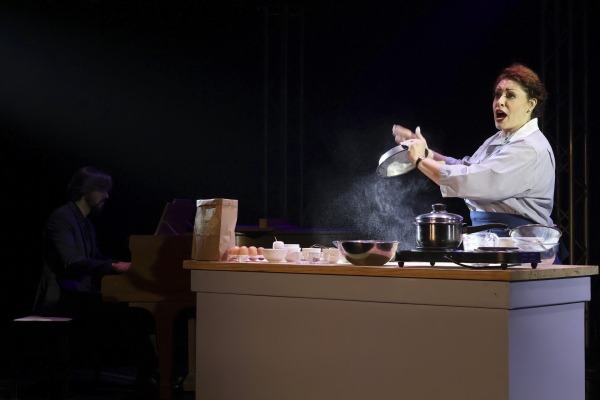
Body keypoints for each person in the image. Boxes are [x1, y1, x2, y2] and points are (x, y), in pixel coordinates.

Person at [392, 63, 556, 236]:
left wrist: (420, 160)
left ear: (531, 104)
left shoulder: (529, 148)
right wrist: (427, 153)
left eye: (511, 95)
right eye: (497, 95)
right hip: (491, 236)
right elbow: (467, 166)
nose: (500, 101)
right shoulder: (498, 138)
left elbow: (471, 180)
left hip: (519, 241)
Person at [42, 166, 159, 399]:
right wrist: (115, 266)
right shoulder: (62, 218)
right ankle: (150, 378)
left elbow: (96, 259)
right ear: (86, 190)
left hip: (81, 295)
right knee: (133, 312)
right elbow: (71, 262)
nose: (106, 195)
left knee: (140, 310)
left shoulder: (85, 223)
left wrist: (120, 264)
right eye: (102, 189)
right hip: (64, 298)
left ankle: (151, 376)